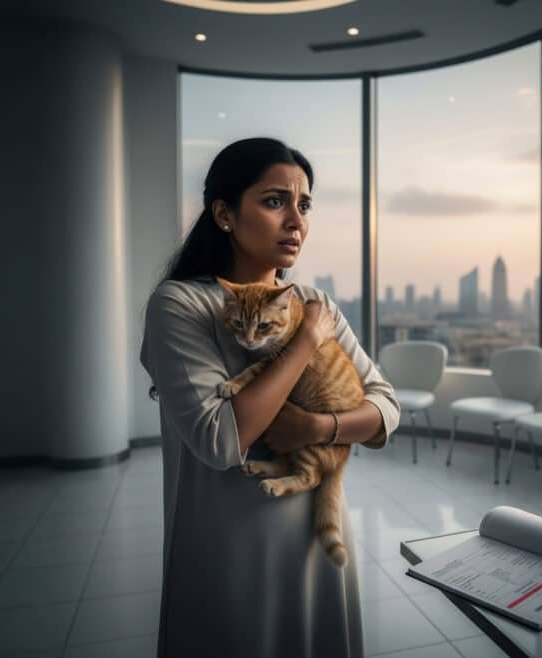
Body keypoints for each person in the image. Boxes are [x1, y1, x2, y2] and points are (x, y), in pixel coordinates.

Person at [139, 137, 400, 658]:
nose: (296, 220)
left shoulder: (313, 301)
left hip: (316, 539)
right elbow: (220, 440)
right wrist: (304, 341)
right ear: (224, 213)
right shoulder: (181, 304)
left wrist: (316, 429)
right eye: (275, 200)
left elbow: (385, 409)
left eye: (304, 205)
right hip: (228, 549)